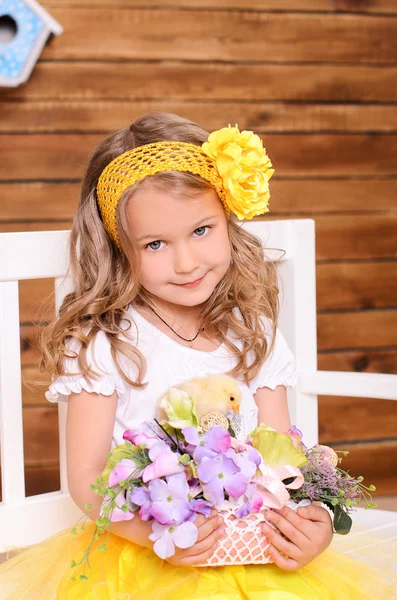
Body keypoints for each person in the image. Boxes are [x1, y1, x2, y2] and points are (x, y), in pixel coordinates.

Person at [1, 113, 395, 600]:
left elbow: (281, 457)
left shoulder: (254, 334)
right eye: (156, 244)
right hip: (151, 553)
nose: (186, 262)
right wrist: (159, 537)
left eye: (202, 230)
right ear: (120, 249)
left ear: (228, 217)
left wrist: (309, 523)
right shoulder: (109, 344)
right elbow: (86, 479)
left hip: (254, 545)